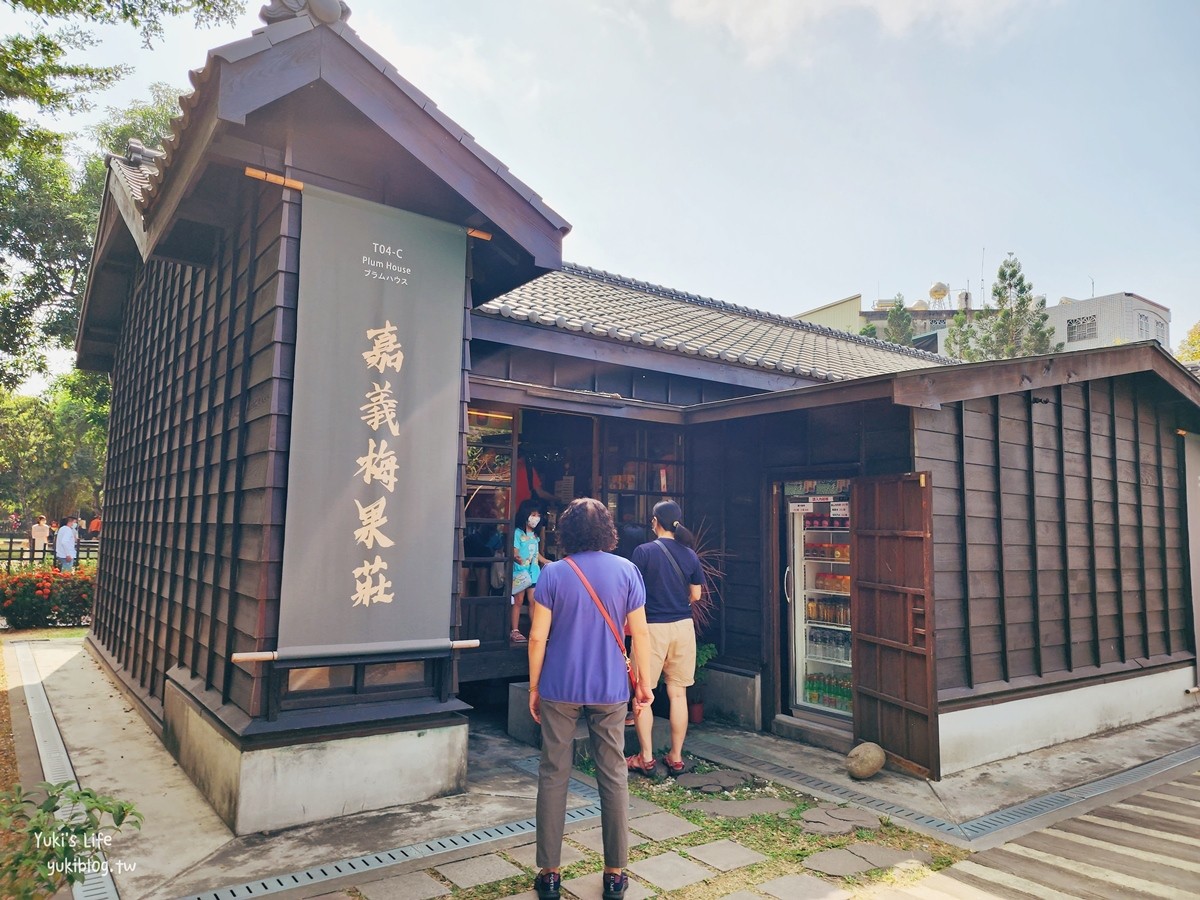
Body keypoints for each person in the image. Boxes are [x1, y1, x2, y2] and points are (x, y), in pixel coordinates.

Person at [527, 498, 653, 900]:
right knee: (613, 774)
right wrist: (644, 684)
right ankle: (615, 874)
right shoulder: (627, 571)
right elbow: (640, 635)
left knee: (552, 774)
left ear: (567, 532)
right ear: (608, 530)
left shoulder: (553, 575)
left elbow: (536, 637)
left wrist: (533, 686)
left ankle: (549, 874)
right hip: (610, 687)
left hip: (559, 686)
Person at [628, 500, 704, 777]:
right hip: (683, 627)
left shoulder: (644, 552)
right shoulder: (690, 554)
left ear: (655, 521)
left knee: (643, 695)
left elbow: (632, 592)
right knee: (678, 693)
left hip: (652, 628)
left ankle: (646, 757)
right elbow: (696, 596)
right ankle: (676, 756)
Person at [510, 500, 549, 642]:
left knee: (533, 601)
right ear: (525, 515)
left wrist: (545, 561)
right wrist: (517, 558)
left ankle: (535, 630)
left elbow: (536, 553)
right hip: (520, 572)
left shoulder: (535, 535)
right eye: (533, 514)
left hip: (534, 572)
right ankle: (515, 630)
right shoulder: (517, 533)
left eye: (538, 515)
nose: (536, 518)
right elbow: (514, 551)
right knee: (518, 601)